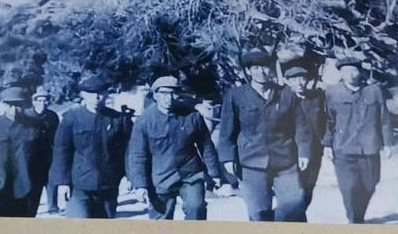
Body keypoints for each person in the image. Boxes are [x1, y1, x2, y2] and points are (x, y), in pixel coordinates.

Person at [218, 50, 311, 222]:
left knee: (295, 203)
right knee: (258, 213)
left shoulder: (286, 94)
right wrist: (228, 158)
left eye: (265, 67)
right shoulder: (236, 96)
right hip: (251, 162)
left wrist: (304, 151)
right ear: (249, 71)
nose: (261, 72)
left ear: (271, 69)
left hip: (285, 161)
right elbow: (226, 131)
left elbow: (301, 126)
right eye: (256, 68)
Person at [128, 76, 221, 220]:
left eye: (173, 93)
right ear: (155, 95)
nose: (169, 98)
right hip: (160, 177)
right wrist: (140, 185)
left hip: (190, 174)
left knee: (196, 208)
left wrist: (214, 173)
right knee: (161, 220)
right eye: (164, 93)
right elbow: (137, 154)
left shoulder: (192, 116)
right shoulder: (145, 121)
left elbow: (206, 146)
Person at [49, 77, 132, 219]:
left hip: (109, 184)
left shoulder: (118, 119)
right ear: (83, 95)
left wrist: (131, 176)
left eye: (100, 93)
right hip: (79, 185)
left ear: (106, 94)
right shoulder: (71, 118)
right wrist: (63, 182)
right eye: (91, 93)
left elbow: (128, 151)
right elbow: (61, 151)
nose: (96, 97)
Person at [323, 57, 393, 224]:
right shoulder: (332, 92)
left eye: (354, 70)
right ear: (341, 74)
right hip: (343, 148)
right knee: (348, 188)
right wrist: (327, 144)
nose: (351, 74)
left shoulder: (374, 91)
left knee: (370, 185)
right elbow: (327, 120)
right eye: (346, 71)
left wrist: (388, 143)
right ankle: (354, 221)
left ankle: (358, 216)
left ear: (360, 72)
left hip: (369, 148)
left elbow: (384, 118)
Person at [0, 87, 44, 217]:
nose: (14, 110)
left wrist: (38, 182)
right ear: (1, 104)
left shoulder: (35, 126)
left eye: (18, 105)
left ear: (25, 105)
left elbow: (43, 156)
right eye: (10, 105)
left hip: (26, 187)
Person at [282, 65, 326, 213]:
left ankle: (297, 217)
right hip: (290, 152)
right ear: (287, 81)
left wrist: (325, 142)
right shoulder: (281, 100)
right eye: (294, 79)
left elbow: (326, 120)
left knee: (308, 190)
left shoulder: (316, 98)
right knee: (294, 192)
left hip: (314, 151)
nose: (299, 82)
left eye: (302, 78)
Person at [23, 86, 61, 214]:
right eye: (39, 100)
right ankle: (30, 207)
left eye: (45, 100)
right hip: (31, 155)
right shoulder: (26, 115)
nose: (42, 103)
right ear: (34, 102)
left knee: (51, 180)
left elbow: (57, 135)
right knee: (33, 182)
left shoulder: (52, 116)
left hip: (48, 153)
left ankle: (53, 206)